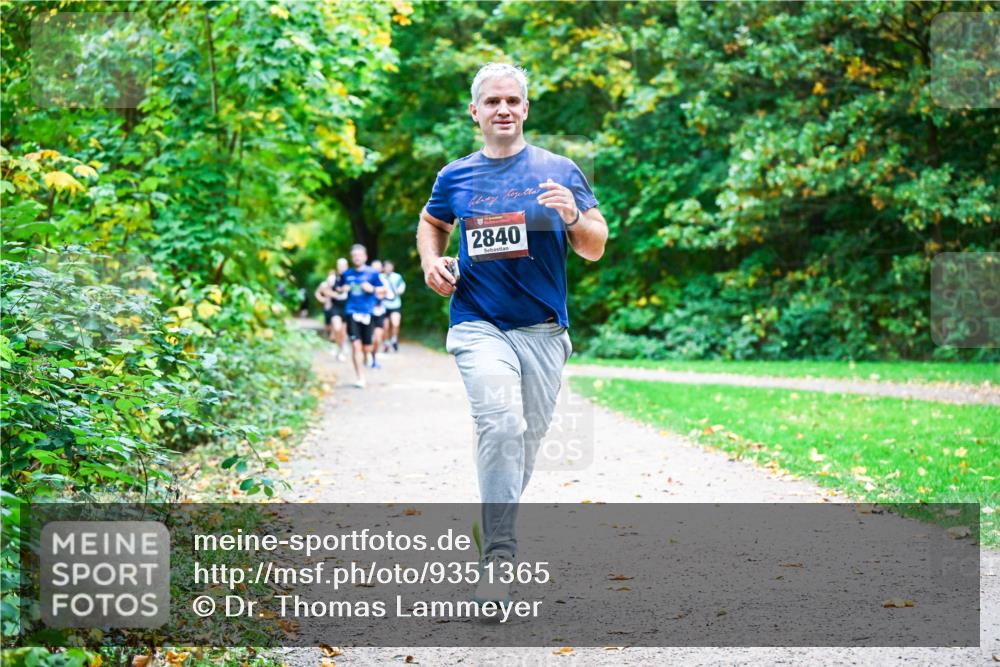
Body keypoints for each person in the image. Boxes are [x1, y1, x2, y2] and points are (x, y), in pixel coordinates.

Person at [415, 62, 607, 604]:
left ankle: (492, 524)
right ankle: (499, 557)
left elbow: (595, 244)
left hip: (544, 331)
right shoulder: (455, 176)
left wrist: (572, 217)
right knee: (500, 423)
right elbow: (433, 223)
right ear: (475, 112)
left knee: (524, 441)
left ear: (525, 109)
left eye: (513, 101)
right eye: (492, 102)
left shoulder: (559, 170)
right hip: (478, 323)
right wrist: (431, 262)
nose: (504, 109)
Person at [339, 244, 385, 388]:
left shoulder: (372, 273)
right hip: (352, 312)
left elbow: (383, 290)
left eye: (360, 255)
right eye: (354, 256)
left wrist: (372, 288)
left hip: (368, 313)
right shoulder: (346, 274)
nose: (357, 257)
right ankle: (360, 377)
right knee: (355, 345)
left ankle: (367, 357)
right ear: (352, 258)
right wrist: (343, 289)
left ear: (365, 257)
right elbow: (339, 288)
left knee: (367, 347)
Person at [381, 260, 406, 352]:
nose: (388, 268)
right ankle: (386, 342)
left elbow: (402, 287)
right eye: (387, 266)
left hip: (395, 304)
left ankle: (394, 339)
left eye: (390, 266)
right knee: (385, 326)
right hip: (383, 305)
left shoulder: (397, 277)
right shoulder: (380, 277)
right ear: (383, 268)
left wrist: (398, 291)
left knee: (396, 323)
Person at [330, 257, 350, 360]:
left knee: (343, 332)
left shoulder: (351, 278)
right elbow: (325, 290)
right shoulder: (333, 278)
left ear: (347, 266)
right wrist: (336, 293)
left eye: (343, 265)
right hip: (336, 307)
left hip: (347, 307)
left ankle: (341, 348)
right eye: (339, 265)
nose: (341, 267)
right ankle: (339, 347)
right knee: (337, 328)